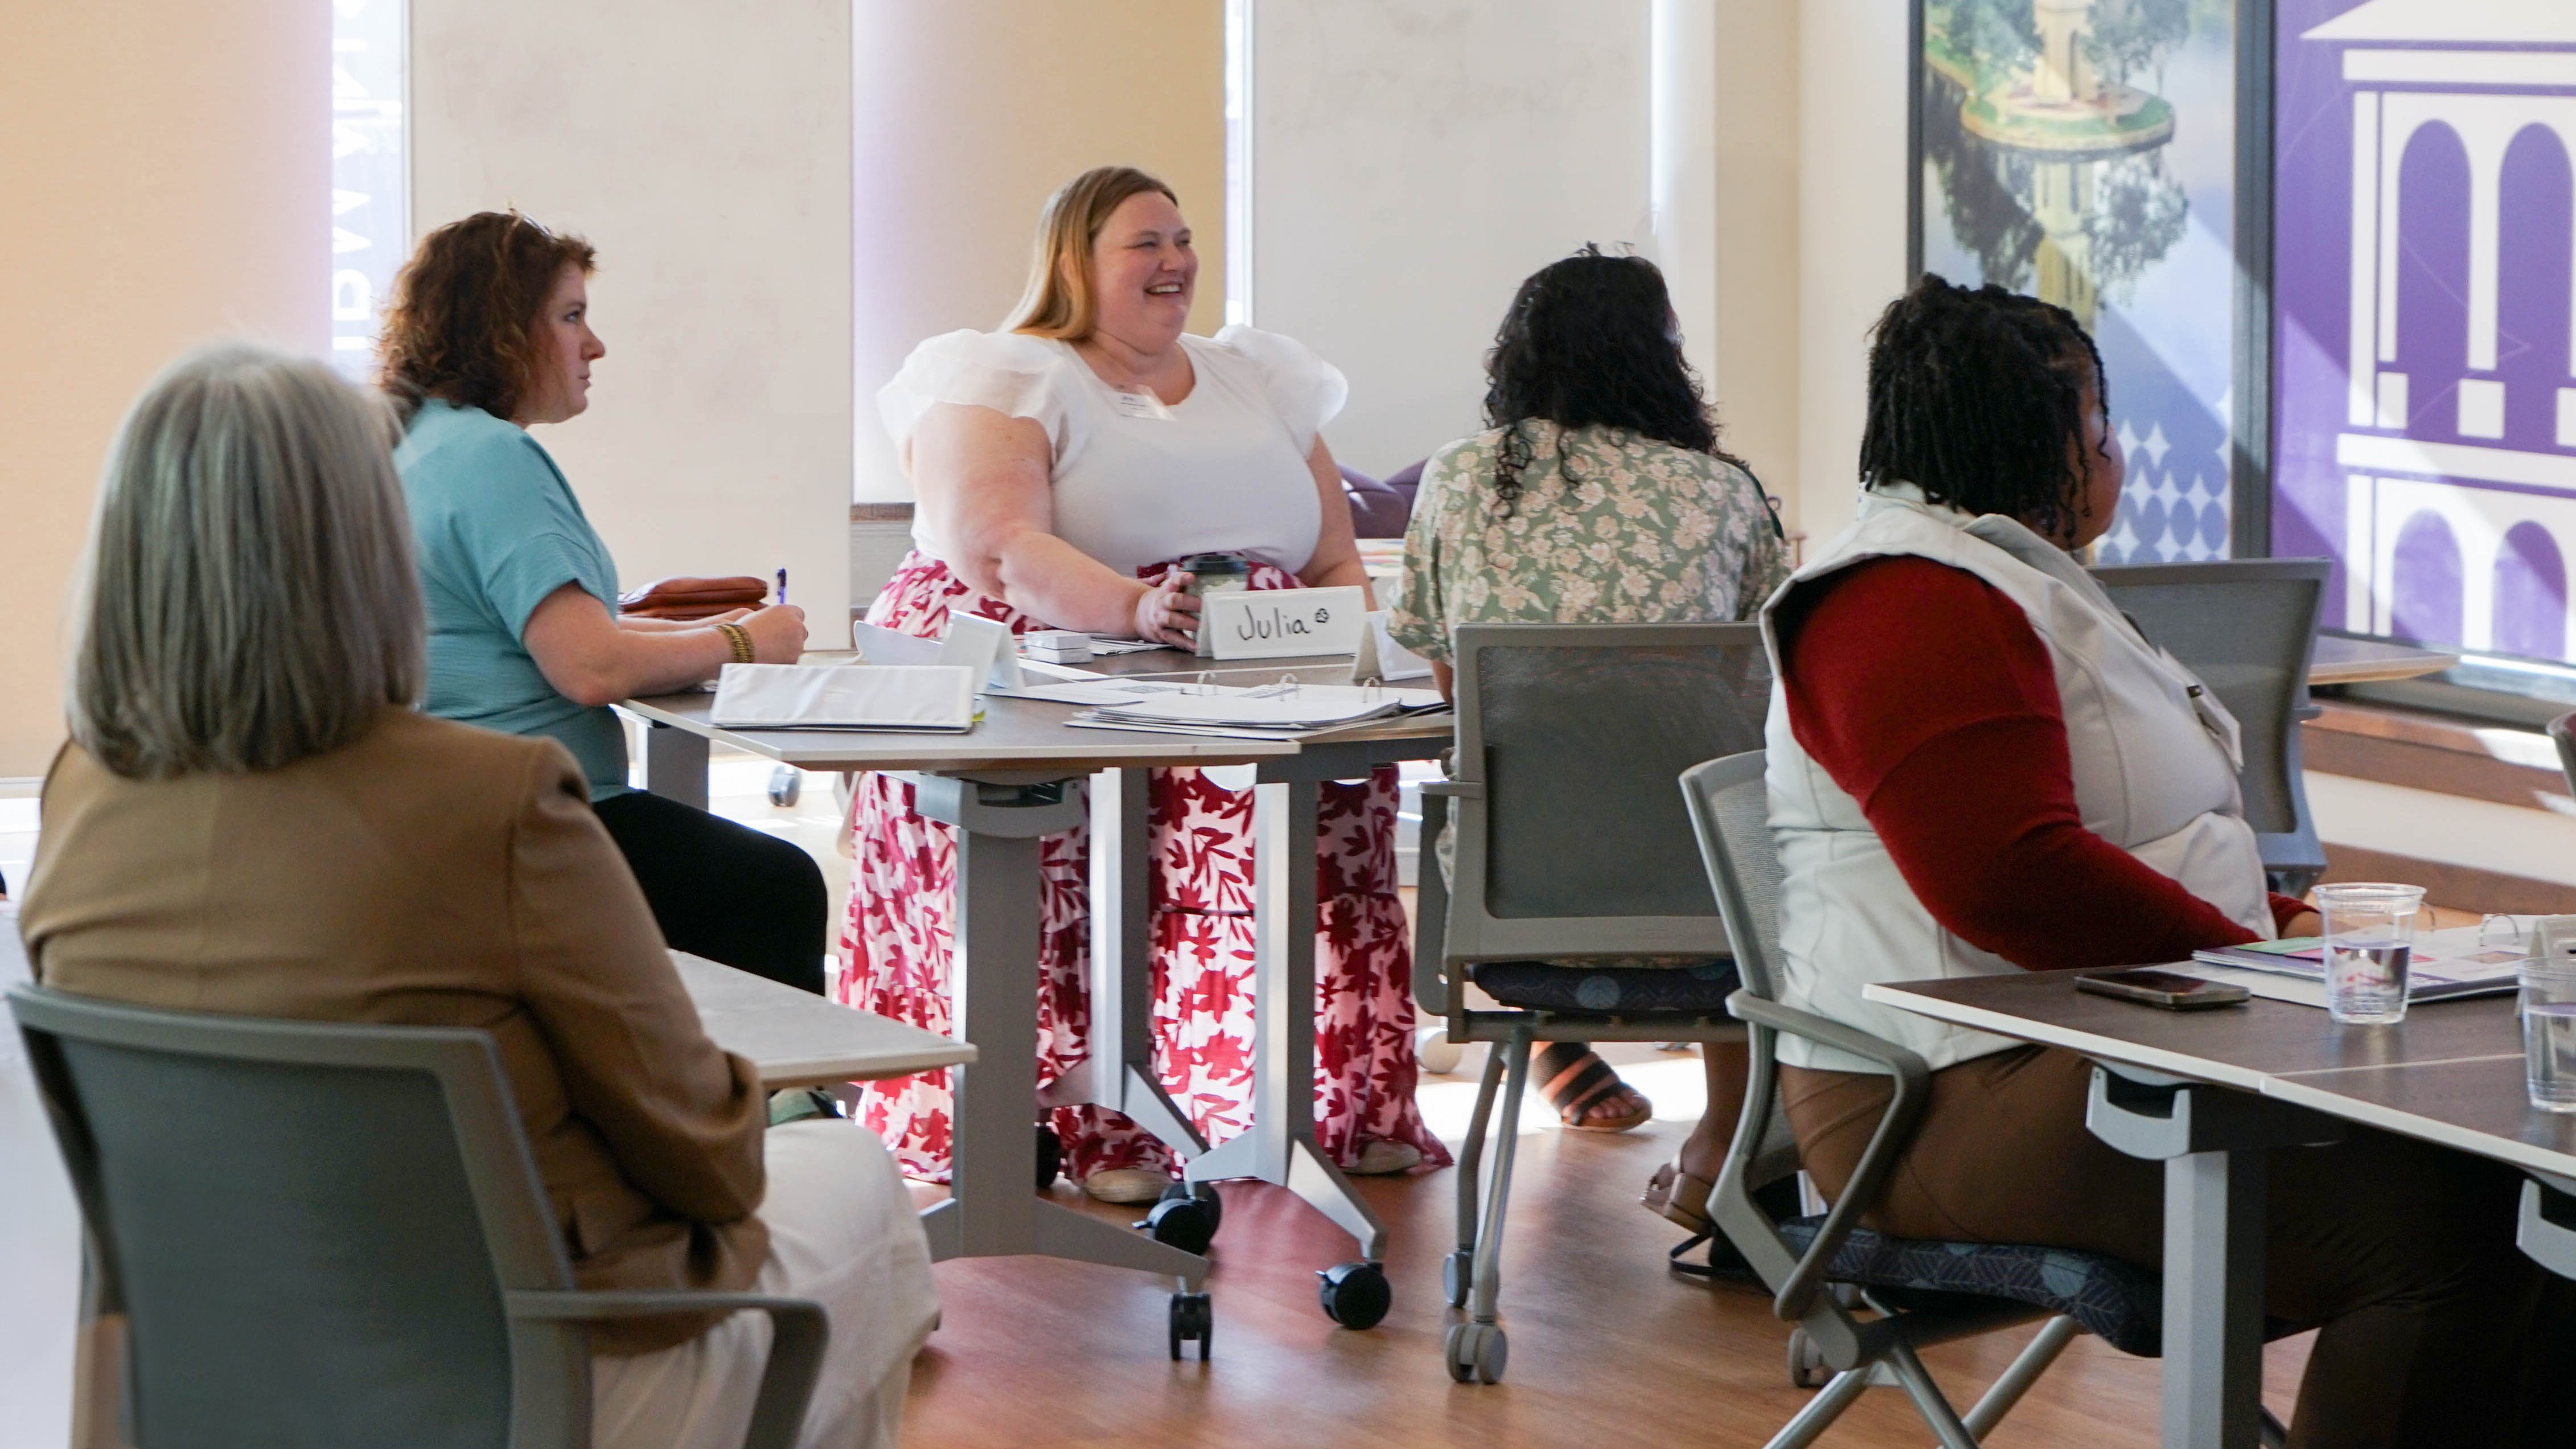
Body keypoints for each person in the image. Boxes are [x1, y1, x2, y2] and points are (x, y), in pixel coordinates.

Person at [17, 344, 935, 1449]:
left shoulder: (78, 798)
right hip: (524, 1372)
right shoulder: (490, 799)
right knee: (860, 1178)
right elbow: (705, 1152)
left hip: (227, 1372)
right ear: (365, 550)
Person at [1762, 276, 2561, 1448]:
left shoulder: (1997, 577)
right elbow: (2007, 875)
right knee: (2459, 1227)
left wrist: (2286, 929)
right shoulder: (1904, 600)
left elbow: (2126, 832)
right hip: (1943, 1097)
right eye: (2099, 429)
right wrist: (2253, 959)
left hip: (2082, 1035)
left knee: (2529, 1202)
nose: (2115, 457)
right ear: (2035, 440)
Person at [850, 165, 1447, 1202]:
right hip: (1061, 667)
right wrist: (1134, 608)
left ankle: (1323, 1105)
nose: (1176, 262)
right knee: (1068, 871)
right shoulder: (1008, 375)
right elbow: (993, 546)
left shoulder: (1253, 376)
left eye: (1181, 239)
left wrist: (1349, 646)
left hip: (1263, 670)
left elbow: (1333, 554)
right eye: (1146, 244)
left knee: (1332, 821)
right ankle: (1085, 1120)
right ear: (1075, 261)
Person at [1387, 248, 1786, 1214]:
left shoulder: (1457, 481)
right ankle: (1724, 1157)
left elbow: (1456, 682)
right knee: (1752, 815)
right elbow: (1760, 683)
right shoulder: (1721, 492)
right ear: (1663, 362)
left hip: (1513, 891)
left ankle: (1564, 1055)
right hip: (1700, 893)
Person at [379, 212, 828, 994]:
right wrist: (746, 643)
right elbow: (588, 667)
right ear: (504, 331)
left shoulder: (419, 440)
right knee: (775, 884)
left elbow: (539, 631)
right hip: (526, 822)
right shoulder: (493, 457)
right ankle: (769, 1111)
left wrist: (702, 630)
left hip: (444, 818)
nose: (594, 345)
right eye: (571, 317)